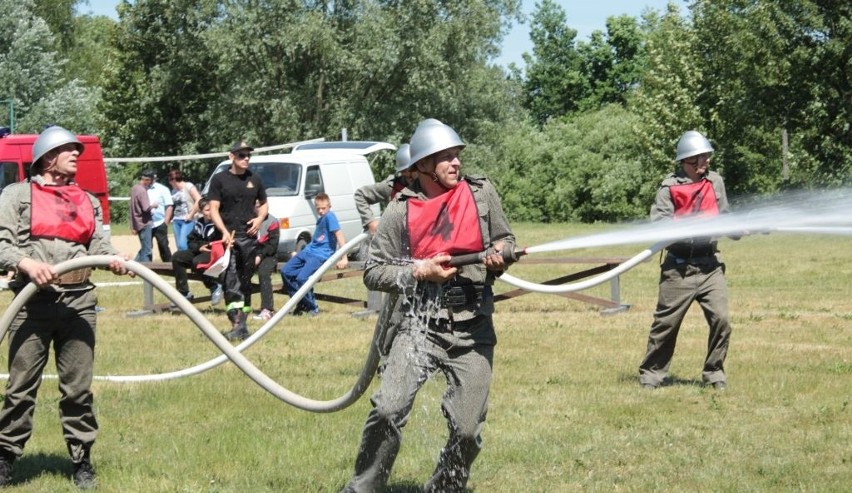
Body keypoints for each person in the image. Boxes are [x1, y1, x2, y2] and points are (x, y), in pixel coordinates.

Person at [341, 120, 516, 493]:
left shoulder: (482, 194)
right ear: (423, 167)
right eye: (445, 157)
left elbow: (503, 237)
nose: (456, 163)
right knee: (388, 408)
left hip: (474, 327)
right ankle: (364, 487)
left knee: (467, 429)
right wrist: (419, 271)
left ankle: (444, 487)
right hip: (418, 324)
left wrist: (503, 254)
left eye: (457, 155)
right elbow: (374, 272)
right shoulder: (399, 211)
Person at [0, 126, 132, 489]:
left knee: (78, 388)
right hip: (32, 304)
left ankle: (81, 460)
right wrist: (26, 264)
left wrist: (114, 258)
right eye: (68, 149)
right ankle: (6, 457)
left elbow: (99, 242)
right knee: (21, 387)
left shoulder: (86, 200)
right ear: (47, 156)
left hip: (79, 303)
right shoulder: (18, 195)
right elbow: (1, 244)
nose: (77, 154)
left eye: (77, 149)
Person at [639, 130, 735, 391]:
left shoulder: (715, 183)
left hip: (710, 266)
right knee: (665, 325)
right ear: (687, 161)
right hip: (679, 268)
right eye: (701, 157)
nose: (706, 161)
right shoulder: (668, 189)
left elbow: (724, 216)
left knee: (722, 320)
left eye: (707, 156)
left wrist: (739, 229)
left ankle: (714, 373)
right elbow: (661, 225)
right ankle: (652, 375)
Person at [207, 140, 268, 341]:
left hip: (249, 239)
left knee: (245, 281)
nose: (246, 159)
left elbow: (264, 204)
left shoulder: (255, 179)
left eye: (248, 155)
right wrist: (223, 231)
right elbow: (213, 209)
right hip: (228, 239)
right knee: (230, 282)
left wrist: (259, 219)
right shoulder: (220, 179)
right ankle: (235, 323)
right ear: (231, 156)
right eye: (241, 155)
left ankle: (243, 323)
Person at [280, 192, 348, 316]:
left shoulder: (330, 216)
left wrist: (344, 257)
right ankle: (301, 303)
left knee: (302, 278)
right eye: (318, 209)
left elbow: (339, 235)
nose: (321, 211)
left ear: (329, 206)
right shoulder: (321, 219)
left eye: (324, 208)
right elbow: (317, 240)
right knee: (286, 272)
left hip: (320, 255)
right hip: (308, 251)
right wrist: (299, 253)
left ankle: (312, 307)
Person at [353, 143, 417, 235]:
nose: (409, 175)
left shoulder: (430, 185)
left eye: (412, 170)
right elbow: (360, 194)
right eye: (404, 171)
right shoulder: (392, 186)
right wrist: (370, 222)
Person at [170, 198, 224, 305]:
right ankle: (184, 293)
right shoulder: (199, 223)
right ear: (201, 211)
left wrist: (206, 246)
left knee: (197, 262)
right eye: (207, 210)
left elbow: (218, 242)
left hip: (214, 253)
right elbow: (190, 241)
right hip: (200, 251)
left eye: (212, 209)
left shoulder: (218, 223)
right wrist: (199, 247)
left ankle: (214, 286)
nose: (210, 212)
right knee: (177, 257)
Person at [252, 208, 280, 321]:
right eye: (255, 205)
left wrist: (260, 256)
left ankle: (267, 309)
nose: (257, 208)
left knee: (263, 273)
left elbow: (272, 246)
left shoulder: (272, 221)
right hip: (251, 254)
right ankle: (241, 306)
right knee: (240, 272)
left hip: (269, 256)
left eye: (260, 205)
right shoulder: (248, 219)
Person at [167, 169, 202, 252]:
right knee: (179, 246)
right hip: (176, 220)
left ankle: (188, 259)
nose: (169, 183)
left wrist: (191, 214)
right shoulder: (173, 191)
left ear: (174, 180)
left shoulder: (188, 186)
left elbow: (199, 199)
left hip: (187, 219)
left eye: (170, 181)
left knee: (183, 245)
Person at [143, 169, 174, 262]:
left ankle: (169, 265)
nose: (146, 181)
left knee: (163, 245)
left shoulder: (163, 189)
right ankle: (147, 267)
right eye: (145, 179)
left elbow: (169, 206)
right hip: (146, 223)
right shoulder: (141, 189)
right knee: (147, 247)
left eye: (148, 179)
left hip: (160, 223)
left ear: (153, 179)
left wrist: (165, 222)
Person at [129, 171, 157, 262]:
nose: (152, 183)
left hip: (138, 222)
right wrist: (154, 205)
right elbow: (146, 208)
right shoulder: (142, 191)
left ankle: (133, 267)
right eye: (151, 181)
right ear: (147, 180)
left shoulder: (134, 188)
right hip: (145, 223)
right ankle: (146, 269)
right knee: (147, 250)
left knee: (145, 247)